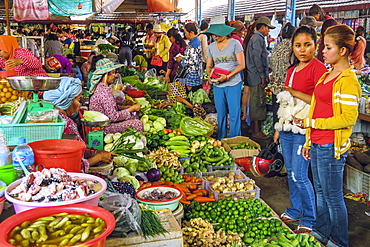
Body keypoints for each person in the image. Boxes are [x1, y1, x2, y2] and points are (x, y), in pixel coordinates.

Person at [293, 24, 364, 247]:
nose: (322, 51)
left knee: (333, 197)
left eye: (328, 47)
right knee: (321, 193)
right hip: (317, 142)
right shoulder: (326, 75)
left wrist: (311, 124)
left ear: (342, 51)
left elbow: (347, 119)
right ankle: (321, 233)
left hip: (332, 145)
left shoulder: (348, 81)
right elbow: (316, 107)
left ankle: (339, 241)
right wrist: (308, 139)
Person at [274, 25, 327, 234]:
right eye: (298, 45)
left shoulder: (319, 68)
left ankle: (310, 219)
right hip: (287, 127)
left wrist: (294, 91)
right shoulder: (291, 70)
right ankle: (296, 209)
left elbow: (320, 100)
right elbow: (286, 101)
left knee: (300, 175)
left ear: (316, 44)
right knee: (291, 174)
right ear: (292, 47)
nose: (302, 50)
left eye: (307, 45)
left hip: (305, 130)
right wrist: (279, 127)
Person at [43, 77, 117, 172]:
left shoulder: (50, 116)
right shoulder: (66, 125)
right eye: (78, 99)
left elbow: (76, 151)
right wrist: (98, 157)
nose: (79, 104)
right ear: (66, 100)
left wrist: (94, 152)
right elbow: (74, 167)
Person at [204, 15, 245, 140]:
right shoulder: (211, 47)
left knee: (234, 114)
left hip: (233, 84)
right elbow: (209, 66)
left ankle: (235, 140)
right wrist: (210, 75)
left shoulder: (235, 44)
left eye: (217, 34)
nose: (215, 36)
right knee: (220, 114)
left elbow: (242, 65)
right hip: (218, 85)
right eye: (213, 34)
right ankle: (221, 141)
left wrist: (227, 76)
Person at [89, 58, 143, 134]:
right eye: (113, 73)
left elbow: (109, 109)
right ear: (106, 75)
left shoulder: (103, 88)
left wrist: (124, 108)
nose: (114, 76)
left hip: (107, 123)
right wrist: (131, 109)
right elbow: (113, 117)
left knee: (134, 116)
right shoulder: (103, 92)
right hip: (104, 128)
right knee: (138, 124)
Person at [246, 17, 275, 139]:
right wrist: (263, 76)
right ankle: (256, 131)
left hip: (253, 74)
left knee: (255, 101)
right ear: (262, 27)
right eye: (268, 28)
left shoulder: (255, 38)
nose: (268, 31)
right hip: (256, 75)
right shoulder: (257, 39)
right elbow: (258, 59)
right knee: (257, 102)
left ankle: (253, 128)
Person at [269, 22, 296, 125]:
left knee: (277, 112)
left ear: (281, 34)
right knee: (286, 114)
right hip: (287, 85)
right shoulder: (293, 48)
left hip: (275, 84)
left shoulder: (276, 47)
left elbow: (271, 65)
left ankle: (276, 135)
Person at [176, 22, 203, 93]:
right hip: (192, 72)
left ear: (191, 32)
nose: (185, 35)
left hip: (193, 73)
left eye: (185, 33)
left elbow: (193, 61)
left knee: (193, 94)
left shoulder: (195, 43)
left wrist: (182, 59)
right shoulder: (192, 42)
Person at [241, 22, 257, 122]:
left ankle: (244, 114)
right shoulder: (255, 39)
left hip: (246, 67)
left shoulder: (246, 39)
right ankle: (248, 115)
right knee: (250, 93)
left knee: (246, 92)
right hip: (252, 68)